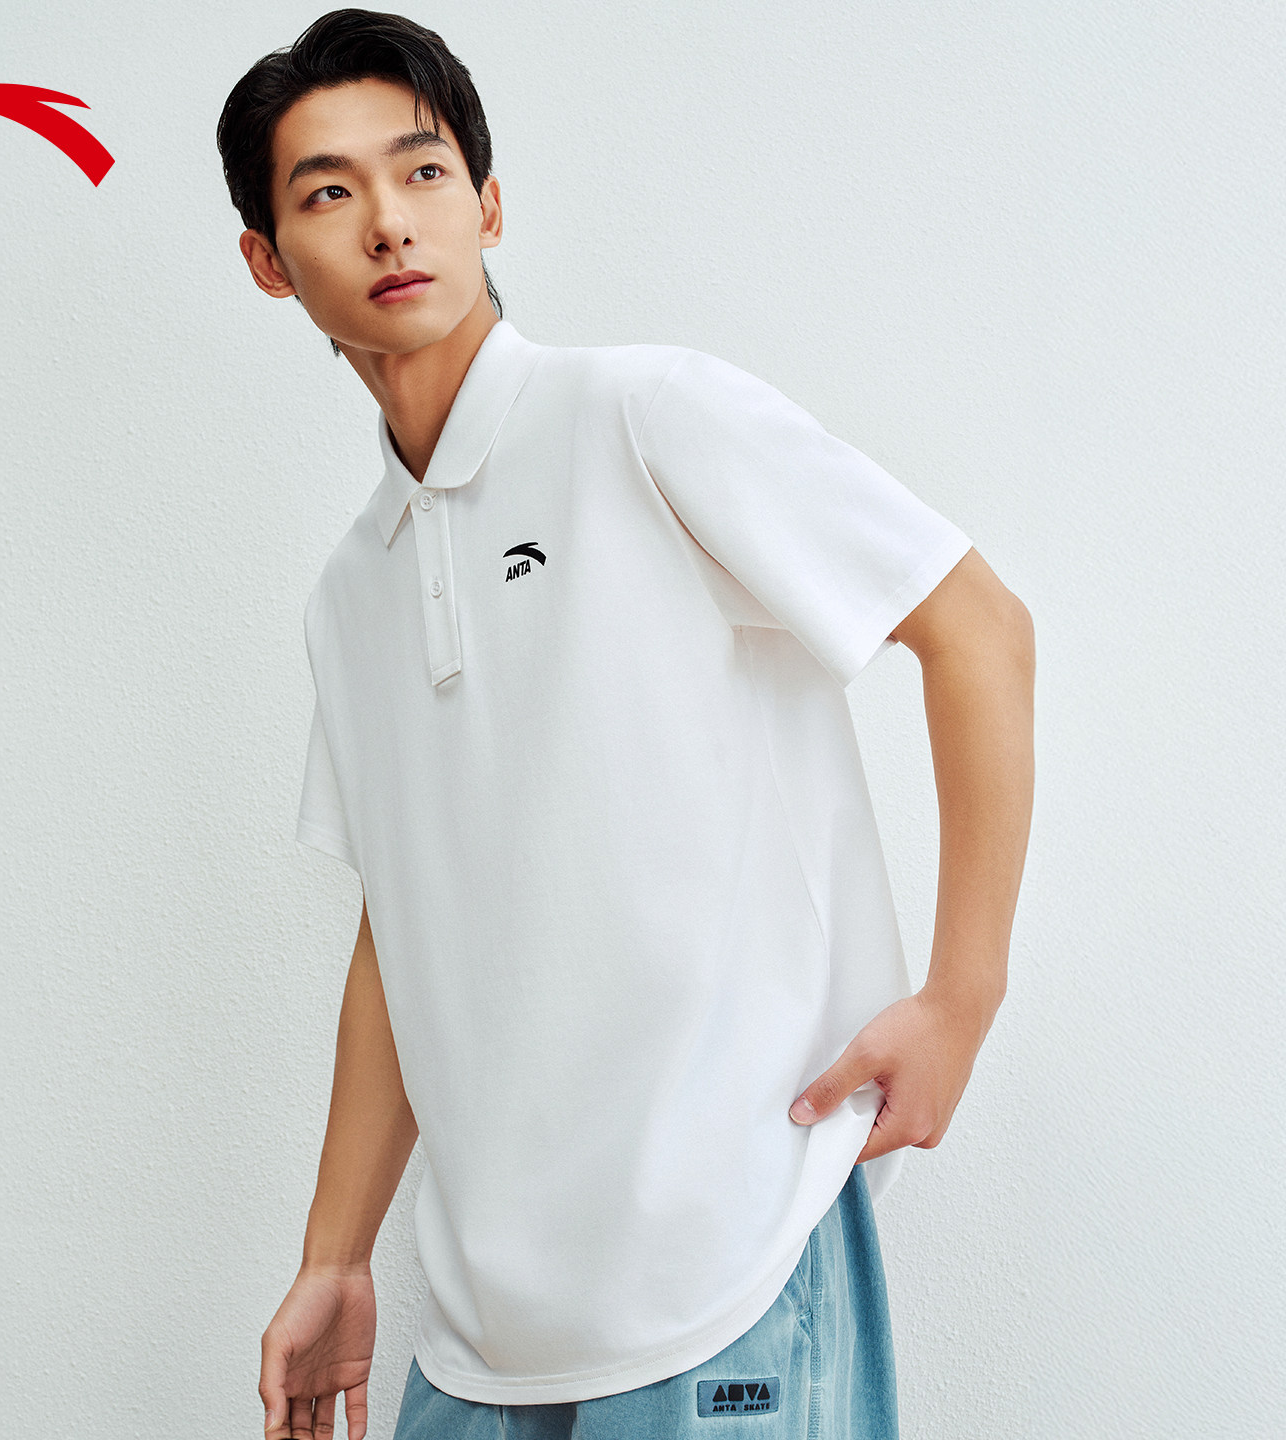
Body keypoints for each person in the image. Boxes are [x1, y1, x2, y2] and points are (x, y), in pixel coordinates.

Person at [218, 10, 1034, 1439]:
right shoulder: (350, 594)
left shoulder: (644, 416)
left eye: (422, 172)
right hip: (484, 1328)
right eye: (329, 193)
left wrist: (961, 998)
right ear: (270, 264)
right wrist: (336, 1256)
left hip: (728, 1268)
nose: (389, 222)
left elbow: (976, 627)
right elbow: (402, 924)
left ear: (487, 203)